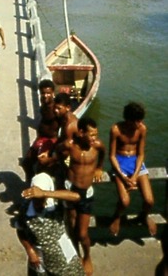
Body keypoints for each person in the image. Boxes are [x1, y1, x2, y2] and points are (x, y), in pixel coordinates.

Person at [58, 117, 105, 276]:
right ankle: (75, 253)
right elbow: (58, 152)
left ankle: (87, 256)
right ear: (81, 132)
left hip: (86, 192)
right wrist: (61, 154)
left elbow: (104, 153)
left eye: (96, 135)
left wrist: (99, 167)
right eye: (91, 135)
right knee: (71, 223)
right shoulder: (71, 146)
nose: (94, 138)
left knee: (82, 233)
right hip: (71, 189)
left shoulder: (97, 147)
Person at [16, 172, 85, 276]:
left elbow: (76, 197)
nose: (37, 203)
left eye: (40, 200)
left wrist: (45, 193)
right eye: (35, 200)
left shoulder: (56, 204)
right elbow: (20, 230)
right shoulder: (25, 210)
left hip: (63, 256)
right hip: (39, 258)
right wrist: (30, 251)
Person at [109, 101, 157, 237]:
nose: (139, 124)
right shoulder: (116, 130)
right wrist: (123, 176)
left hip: (136, 163)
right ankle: (117, 216)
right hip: (120, 163)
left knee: (149, 201)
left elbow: (141, 154)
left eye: (140, 120)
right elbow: (111, 155)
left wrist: (135, 176)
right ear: (128, 119)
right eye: (136, 121)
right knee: (125, 201)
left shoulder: (142, 129)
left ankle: (143, 216)